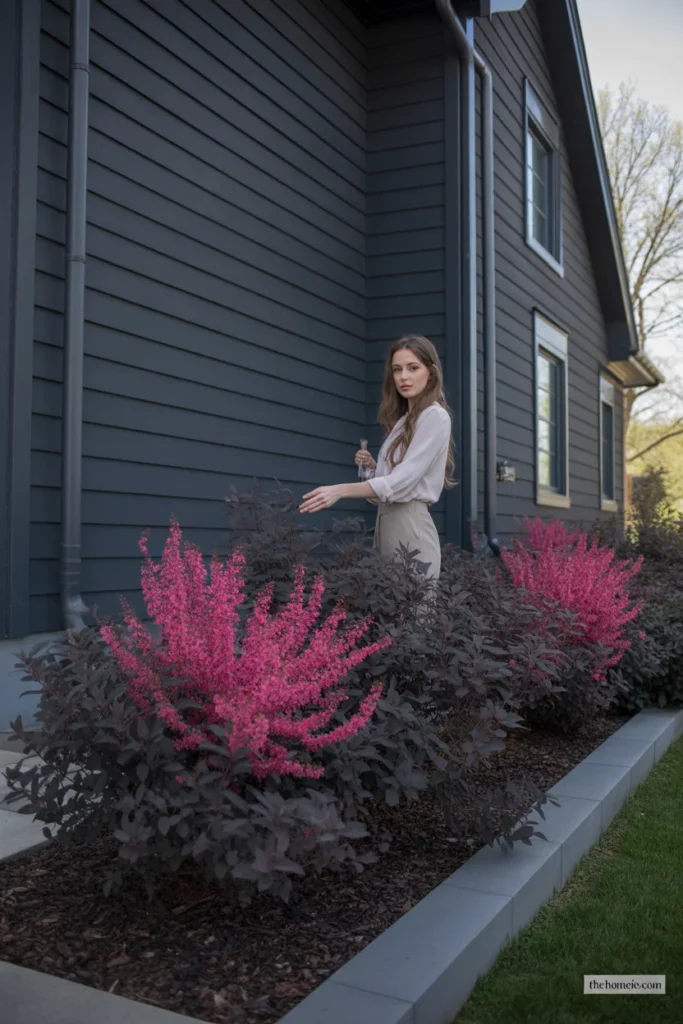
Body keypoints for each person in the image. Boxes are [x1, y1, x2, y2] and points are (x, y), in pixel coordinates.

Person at [299, 335, 455, 579]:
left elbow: (402, 481)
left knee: (413, 614)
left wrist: (339, 490)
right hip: (388, 523)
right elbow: (390, 484)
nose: (403, 376)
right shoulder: (405, 421)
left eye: (413, 368)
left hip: (410, 527)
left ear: (431, 373)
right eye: (397, 369)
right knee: (389, 612)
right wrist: (373, 468)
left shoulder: (435, 416)